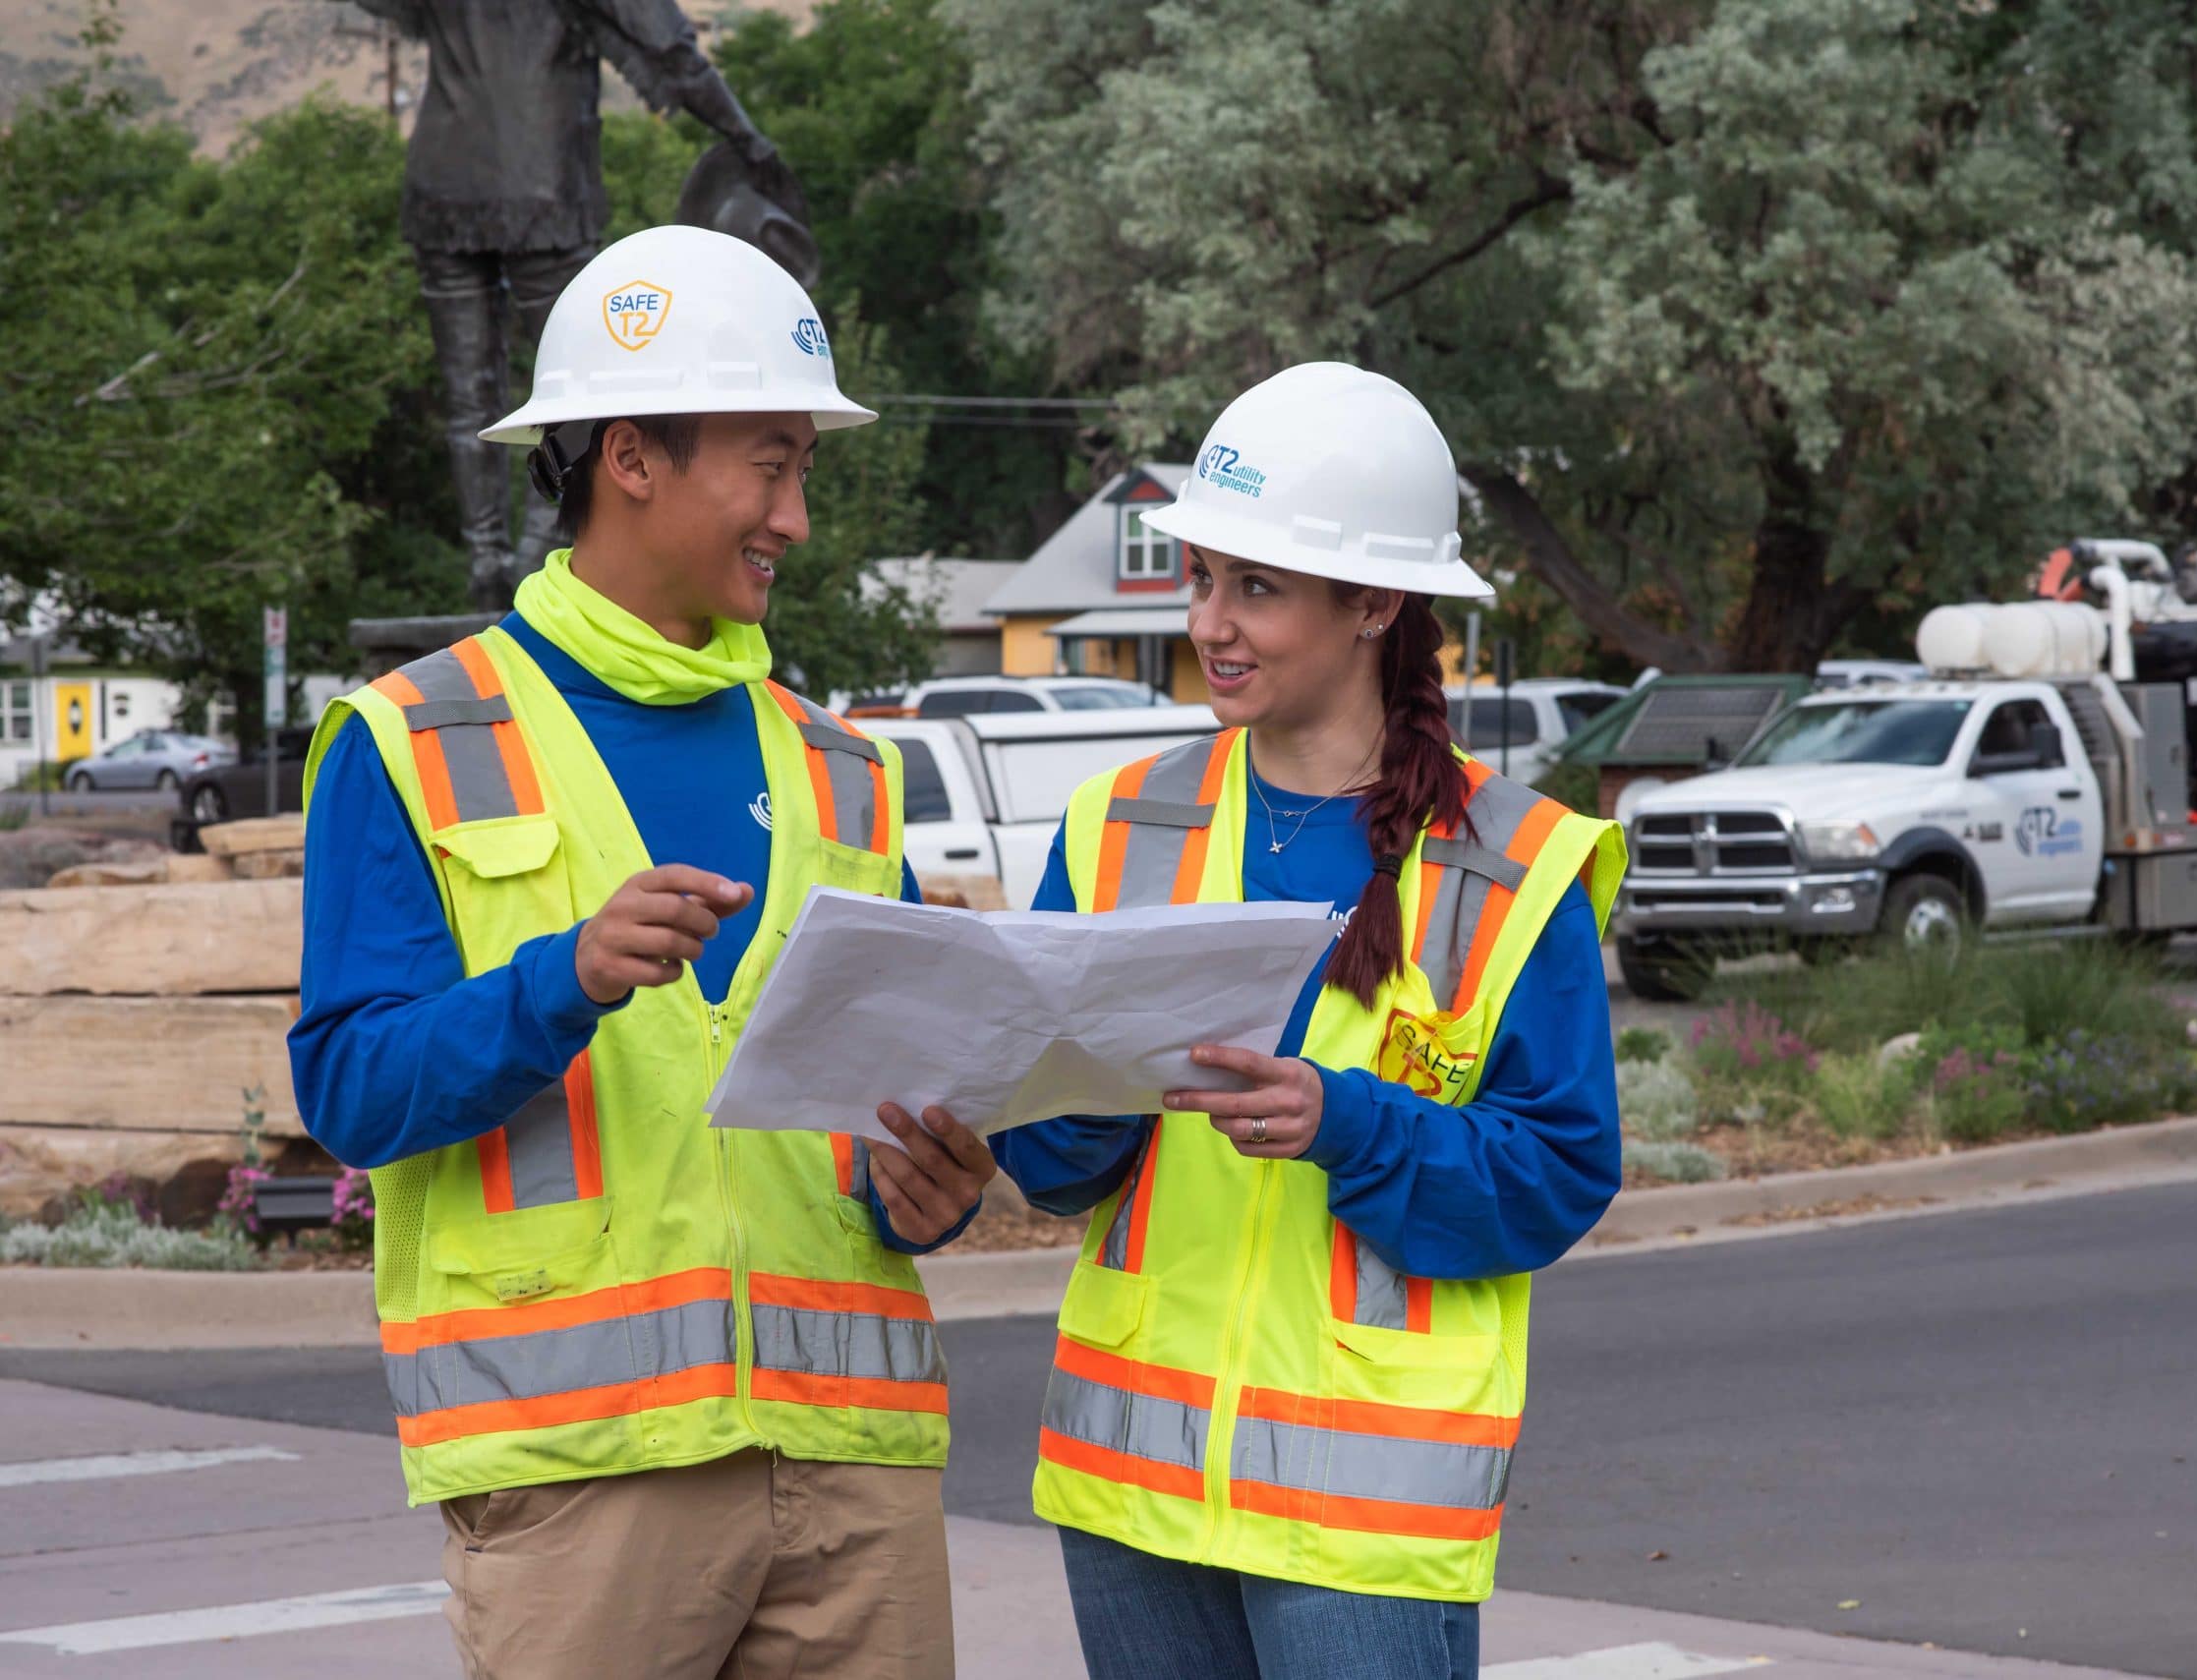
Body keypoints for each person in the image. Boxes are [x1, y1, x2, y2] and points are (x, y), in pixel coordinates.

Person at [288, 224, 992, 1680]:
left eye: (804, 468)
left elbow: (868, 1120)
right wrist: (566, 978)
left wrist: (928, 1187)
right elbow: (351, 1092)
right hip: (584, 1483)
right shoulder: (413, 739)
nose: (796, 514)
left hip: (853, 1464)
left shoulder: (844, 769)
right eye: (771, 462)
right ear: (630, 458)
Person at [992, 363, 1630, 1680]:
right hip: (1132, 1491)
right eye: (1203, 579)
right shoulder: (1118, 826)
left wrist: (1353, 1126)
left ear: (1376, 604)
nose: (1210, 623)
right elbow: (1052, 1166)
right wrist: (1046, 1088)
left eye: (1258, 588)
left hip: (1365, 1521)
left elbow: (1557, 1177)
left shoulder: (1514, 865)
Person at [351, 0, 809, 607]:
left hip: (443, 183)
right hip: (544, 187)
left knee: (469, 398)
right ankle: (529, 563)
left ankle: (486, 564)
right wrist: (748, 139)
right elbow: (672, 52)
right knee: (579, 394)